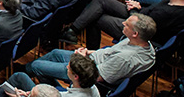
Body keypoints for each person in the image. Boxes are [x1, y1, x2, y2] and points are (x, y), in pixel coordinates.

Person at [29, 13, 157, 86]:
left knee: (37, 66)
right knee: (56, 53)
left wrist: (82, 58)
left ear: (135, 34)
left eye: (127, 25)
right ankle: (25, 71)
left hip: (85, 73)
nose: (123, 23)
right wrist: (88, 52)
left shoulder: (125, 58)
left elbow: (97, 77)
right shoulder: (143, 43)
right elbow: (109, 53)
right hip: (90, 59)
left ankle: (57, 91)